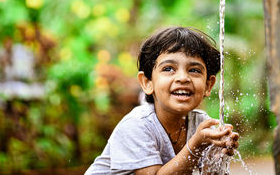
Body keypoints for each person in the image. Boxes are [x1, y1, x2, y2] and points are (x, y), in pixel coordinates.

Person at [85, 26, 239, 175]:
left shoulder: (201, 125)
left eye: (194, 70)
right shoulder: (137, 125)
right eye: (168, 69)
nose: (183, 78)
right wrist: (195, 145)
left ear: (208, 85)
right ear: (147, 83)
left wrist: (216, 157)